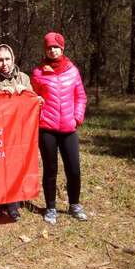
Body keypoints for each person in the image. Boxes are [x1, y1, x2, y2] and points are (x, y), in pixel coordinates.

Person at [30, 32, 88, 225]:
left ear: (62, 49)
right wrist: (38, 111)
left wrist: (77, 118)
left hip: (69, 129)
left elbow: (80, 97)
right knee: (50, 169)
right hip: (46, 128)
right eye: (49, 47)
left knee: (74, 169)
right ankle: (51, 207)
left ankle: (74, 205)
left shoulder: (72, 71)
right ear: (45, 49)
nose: (52, 50)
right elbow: (32, 99)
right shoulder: (38, 73)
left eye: (56, 47)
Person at [0, 43, 31, 222]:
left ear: (13, 59)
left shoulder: (24, 78)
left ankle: (13, 204)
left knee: (15, 166)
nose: (4, 63)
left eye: (7, 59)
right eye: (0, 60)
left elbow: (32, 100)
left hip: (18, 130)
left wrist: (24, 92)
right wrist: (0, 96)